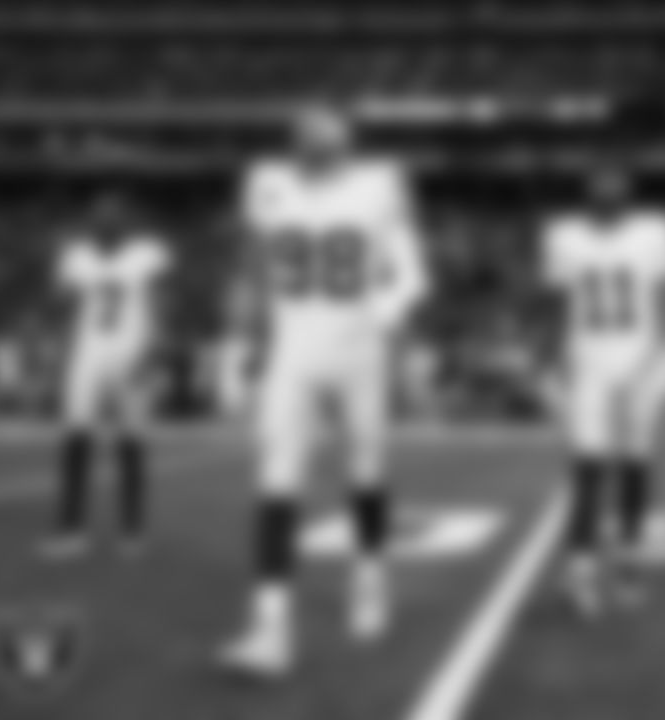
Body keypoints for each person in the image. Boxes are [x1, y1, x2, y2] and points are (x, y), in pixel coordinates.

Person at [219, 101, 428, 677]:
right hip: (291, 350)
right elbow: (252, 268)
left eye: (323, 137)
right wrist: (239, 345)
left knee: (366, 474)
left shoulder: (381, 185)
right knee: (276, 483)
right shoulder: (266, 183)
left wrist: (381, 318)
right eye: (303, 136)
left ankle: (369, 578)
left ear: (345, 143)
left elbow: (412, 274)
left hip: (359, 350)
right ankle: (271, 627)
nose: (310, 146)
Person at [540, 165, 665, 615]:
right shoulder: (563, 235)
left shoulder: (656, 232)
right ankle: (581, 566)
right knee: (587, 466)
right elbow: (558, 304)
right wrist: (552, 363)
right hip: (586, 361)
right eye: (600, 189)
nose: (608, 198)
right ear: (588, 195)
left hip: (642, 360)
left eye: (615, 189)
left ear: (629, 195)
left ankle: (628, 560)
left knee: (636, 465)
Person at [47, 193, 172, 557]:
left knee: (131, 440)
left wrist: (153, 347)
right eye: (99, 217)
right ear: (91, 222)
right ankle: (71, 530)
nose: (106, 223)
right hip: (88, 352)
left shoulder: (146, 253)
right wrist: (60, 283)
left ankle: (132, 530)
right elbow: (63, 303)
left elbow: (161, 301)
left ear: (125, 222)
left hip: (130, 351)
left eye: (113, 217)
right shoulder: (77, 256)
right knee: (75, 437)